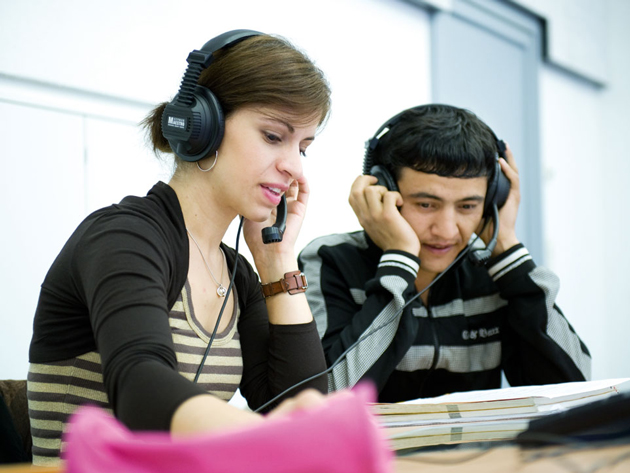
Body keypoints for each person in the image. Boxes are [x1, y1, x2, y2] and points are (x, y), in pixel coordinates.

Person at [27, 30, 331, 466]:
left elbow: (296, 411)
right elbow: (140, 389)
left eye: (304, 147)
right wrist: (271, 440)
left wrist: (277, 262)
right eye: (272, 136)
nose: (294, 167)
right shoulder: (125, 238)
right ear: (200, 125)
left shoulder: (237, 275)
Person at [298, 104, 591, 403]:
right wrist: (399, 261)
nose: (447, 230)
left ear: (493, 201)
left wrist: (506, 249)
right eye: (426, 204)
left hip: (479, 451)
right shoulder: (330, 260)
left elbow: (577, 390)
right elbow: (326, 399)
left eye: (467, 207)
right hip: (371, 451)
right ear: (382, 190)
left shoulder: (493, 271)